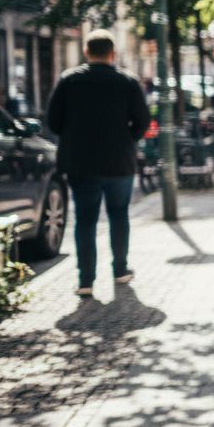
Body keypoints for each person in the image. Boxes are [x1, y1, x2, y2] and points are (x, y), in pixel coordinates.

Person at [45, 29, 149, 297]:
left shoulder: (69, 81)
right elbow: (143, 122)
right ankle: (121, 270)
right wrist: (127, 139)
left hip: (82, 163)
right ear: (112, 54)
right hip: (119, 162)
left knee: (85, 220)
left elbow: (53, 121)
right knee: (118, 215)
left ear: (87, 52)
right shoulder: (128, 82)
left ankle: (86, 281)